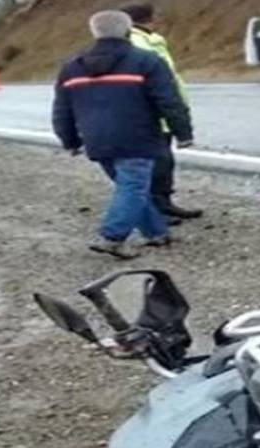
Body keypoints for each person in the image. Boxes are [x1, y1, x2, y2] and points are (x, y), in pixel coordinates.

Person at [52, 10, 194, 259]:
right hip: (138, 137)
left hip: (96, 140)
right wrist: (183, 132)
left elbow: (62, 109)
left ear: (95, 33)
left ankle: (156, 233)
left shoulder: (72, 67)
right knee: (133, 187)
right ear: (128, 31)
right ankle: (112, 237)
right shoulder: (146, 61)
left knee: (130, 187)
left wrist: (70, 140)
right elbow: (168, 100)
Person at [120, 3, 202, 223]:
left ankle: (164, 204)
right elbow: (153, 81)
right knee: (154, 164)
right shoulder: (138, 42)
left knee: (164, 162)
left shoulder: (150, 39)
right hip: (153, 113)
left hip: (163, 113)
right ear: (148, 17)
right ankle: (155, 210)